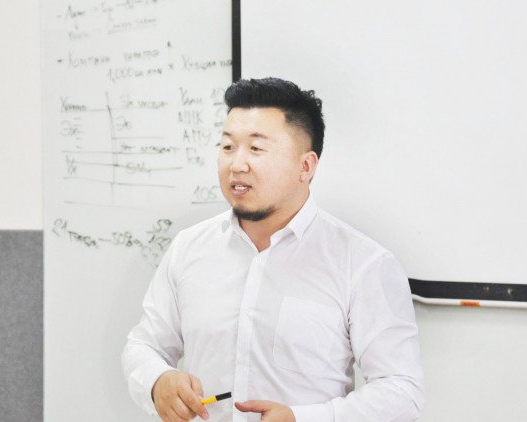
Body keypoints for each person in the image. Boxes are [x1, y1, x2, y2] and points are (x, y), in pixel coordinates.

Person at [122, 77, 424, 422]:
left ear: (305, 166)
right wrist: (157, 380)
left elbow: (401, 390)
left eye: (256, 149)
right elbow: (145, 344)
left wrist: (304, 419)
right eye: (227, 147)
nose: (237, 164)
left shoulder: (362, 263)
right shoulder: (189, 248)